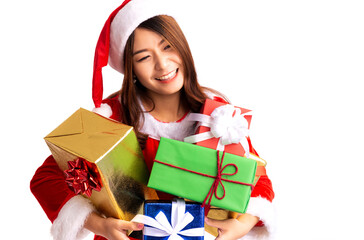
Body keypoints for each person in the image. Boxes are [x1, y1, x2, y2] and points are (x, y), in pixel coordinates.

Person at [30, 0, 275, 239]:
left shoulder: (220, 116)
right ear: (131, 69)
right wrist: (100, 225)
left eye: (167, 47)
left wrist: (244, 224)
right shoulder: (111, 118)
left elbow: (257, 178)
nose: (162, 64)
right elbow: (46, 179)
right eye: (143, 57)